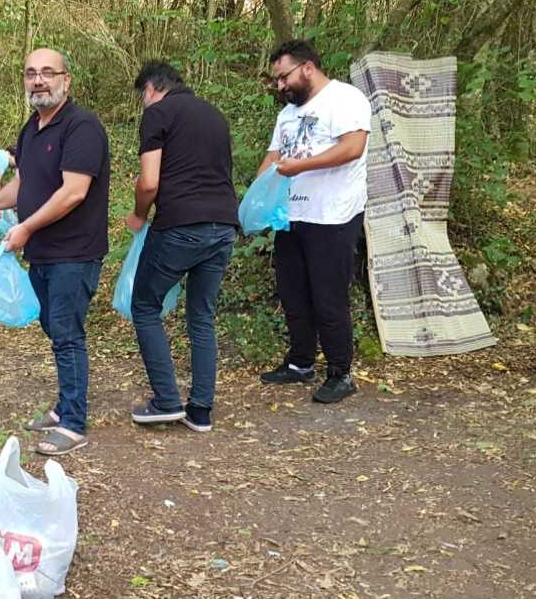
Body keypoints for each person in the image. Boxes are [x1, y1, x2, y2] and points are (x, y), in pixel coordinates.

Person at [0, 48, 110, 456]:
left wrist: (25, 228)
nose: (39, 81)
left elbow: (73, 192)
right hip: (42, 253)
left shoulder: (81, 127)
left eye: (48, 73)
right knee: (53, 329)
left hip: (74, 251)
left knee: (66, 334)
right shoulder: (31, 128)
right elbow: (24, 184)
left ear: (67, 78)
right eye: (31, 74)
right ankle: (66, 405)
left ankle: (73, 423)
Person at [125, 62, 239, 433]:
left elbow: (149, 182)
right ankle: (201, 411)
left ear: (153, 89)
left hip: (180, 225)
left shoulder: (158, 113)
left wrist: (139, 214)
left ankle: (166, 401)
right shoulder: (214, 114)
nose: (143, 103)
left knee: (144, 306)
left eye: (142, 95)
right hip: (223, 226)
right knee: (201, 316)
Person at [256, 40, 371, 404]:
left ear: (307, 67)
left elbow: (353, 147)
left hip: (332, 215)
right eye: (276, 80)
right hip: (292, 215)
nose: (280, 85)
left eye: (283, 76)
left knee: (328, 296)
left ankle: (341, 373)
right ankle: (300, 364)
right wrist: (255, 199)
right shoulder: (288, 113)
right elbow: (274, 156)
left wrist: (300, 167)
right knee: (293, 293)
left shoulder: (345, 99)